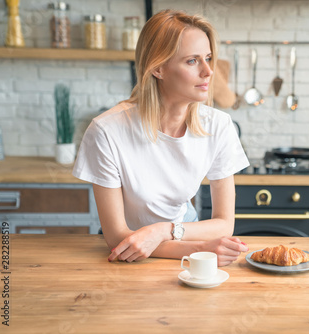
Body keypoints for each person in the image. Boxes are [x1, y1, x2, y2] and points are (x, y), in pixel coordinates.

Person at [72, 9, 250, 266]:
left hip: (185, 240)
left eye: (208, 58)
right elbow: (116, 237)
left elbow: (224, 224)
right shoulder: (107, 131)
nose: (209, 72)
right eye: (192, 61)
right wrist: (198, 249)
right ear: (158, 68)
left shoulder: (219, 126)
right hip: (129, 254)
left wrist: (163, 231)